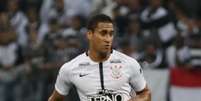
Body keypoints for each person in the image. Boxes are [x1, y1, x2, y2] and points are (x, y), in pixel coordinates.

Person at [48, 14, 151, 101]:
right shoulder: (70, 68)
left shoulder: (129, 63)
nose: (108, 39)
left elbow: (146, 93)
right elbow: (55, 98)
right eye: (103, 33)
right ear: (89, 34)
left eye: (111, 34)